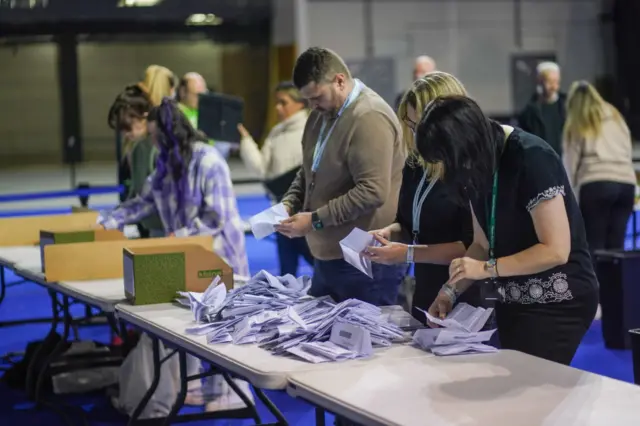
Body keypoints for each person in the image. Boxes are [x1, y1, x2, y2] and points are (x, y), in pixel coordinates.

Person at [100, 97, 252, 412]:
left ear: (174, 133)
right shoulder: (165, 163)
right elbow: (144, 202)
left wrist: (178, 237)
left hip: (221, 261)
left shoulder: (208, 161)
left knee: (221, 328)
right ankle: (192, 387)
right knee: (188, 325)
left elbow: (217, 218)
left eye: (159, 137)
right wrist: (106, 221)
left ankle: (231, 395)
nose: (155, 143)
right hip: (186, 260)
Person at [422, 95, 598, 366]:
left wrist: (486, 269)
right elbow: (481, 244)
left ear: (467, 144)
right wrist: (449, 291)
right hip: (512, 301)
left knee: (531, 395)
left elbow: (555, 250)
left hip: (558, 301)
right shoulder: (475, 167)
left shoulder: (532, 158)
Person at [276, 47, 406, 305]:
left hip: (366, 259)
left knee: (370, 344)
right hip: (328, 256)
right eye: (308, 99)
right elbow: (308, 170)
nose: (312, 105)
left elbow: (372, 191)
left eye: (317, 97)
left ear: (339, 81)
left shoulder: (369, 117)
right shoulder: (320, 115)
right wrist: (290, 202)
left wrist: (315, 220)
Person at [365, 72, 480, 323]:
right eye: (411, 126)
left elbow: (471, 247)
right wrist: (389, 233)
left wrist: (408, 253)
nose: (416, 135)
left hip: (463, 290)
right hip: (425, 286)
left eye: (419, 127)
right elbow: (406, 223)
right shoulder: (417, 164)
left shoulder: (469, 169)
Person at [238, 81, 314, 276]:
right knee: (286, 273)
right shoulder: (276, 132)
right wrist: (246, 140)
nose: (278, 108)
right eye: (276, 103)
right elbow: (261, 168)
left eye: (283, 102)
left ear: (299, 103)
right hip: (283, 209)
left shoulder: (312, 128)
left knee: (319, 266)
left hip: (308, 214)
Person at [563, 80, 636, 254]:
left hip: (596, 184)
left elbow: (570, 163)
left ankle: (597, 282)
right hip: (626, 184)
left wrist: (567, 195)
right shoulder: (616, 116)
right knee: (617, 249)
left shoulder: (577, 121)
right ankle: (617, 281)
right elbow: (628, 148)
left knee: (594, 247)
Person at [109, 84, 165, 238]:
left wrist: (116, 217)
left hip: (167, 230)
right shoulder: (139, 148)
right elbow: (136, 194)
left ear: (144, 116)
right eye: (122, 129)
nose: (125, 134)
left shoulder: (147, 148)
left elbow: (141, 197)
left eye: (128, 127)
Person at [518, 61, 566, 156]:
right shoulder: (530, 112)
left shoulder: (566, 107)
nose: (553, 86)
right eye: (550, 81)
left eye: (556, 81)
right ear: (540, 81)